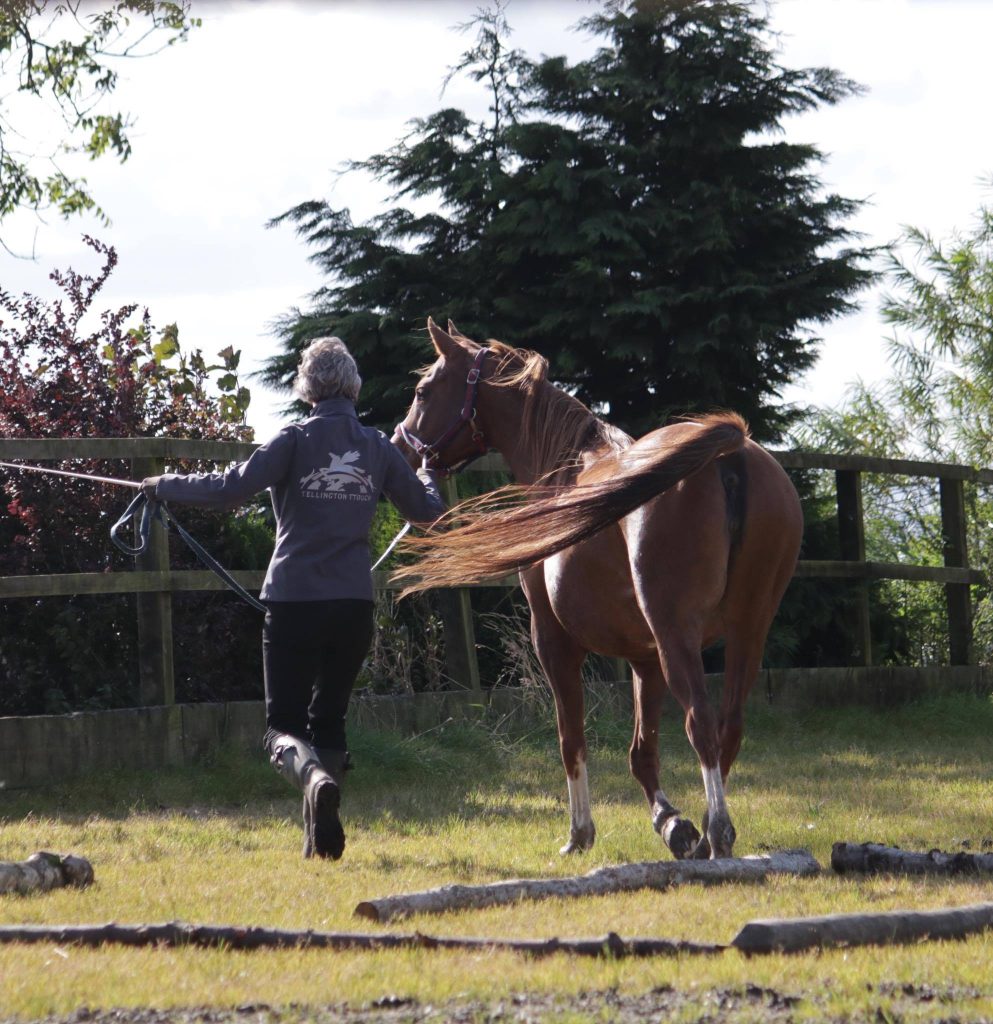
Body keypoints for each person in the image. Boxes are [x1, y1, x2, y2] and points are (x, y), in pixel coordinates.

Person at [141, 337, 445, 861]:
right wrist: (428, 471)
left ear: (308, 387)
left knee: (283, 727)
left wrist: (163, 484)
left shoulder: (293, 439)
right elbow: (428, 514)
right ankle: (318, 842)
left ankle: (313, 786)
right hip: (353, 605)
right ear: (352, 385)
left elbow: (230, 488)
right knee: (329, 720)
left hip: (293, 601)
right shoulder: (376, 447)